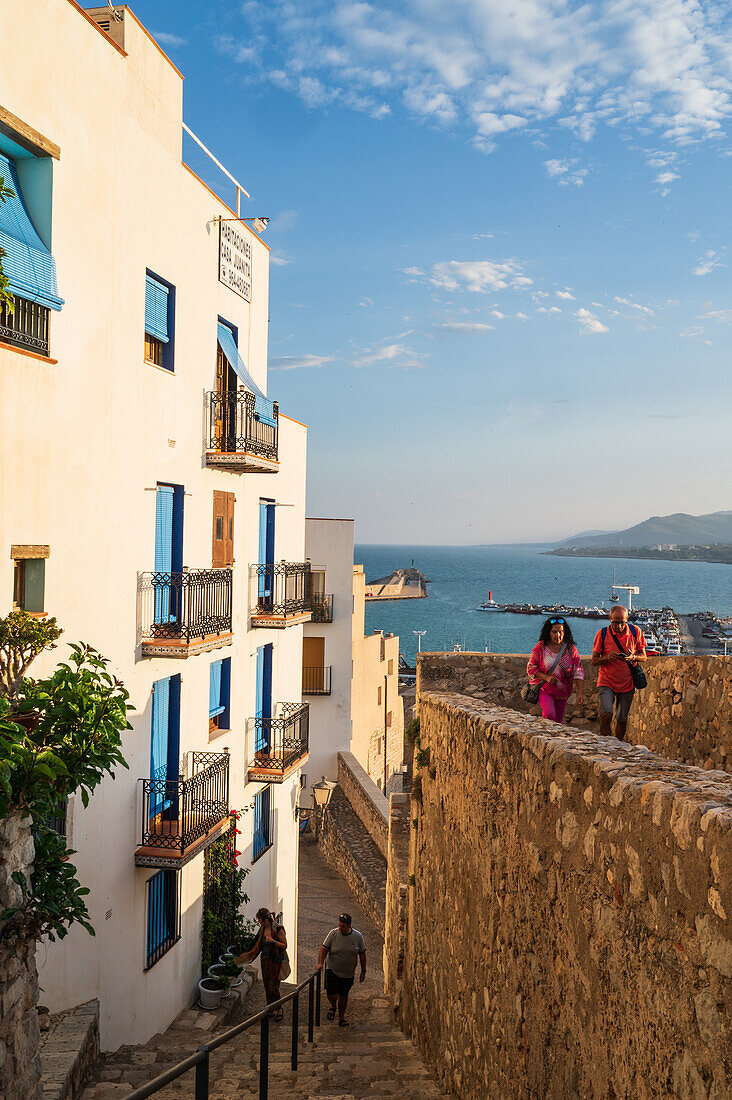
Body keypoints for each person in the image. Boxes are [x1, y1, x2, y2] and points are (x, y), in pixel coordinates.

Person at [592, 605, 647, 741]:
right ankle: (606, 743)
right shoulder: (602, 634)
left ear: (627, 619)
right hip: (607, 680)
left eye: (622, 622)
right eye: (615, 622)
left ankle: (618, 744)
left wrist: (632, 657)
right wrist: (607, 657)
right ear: (610, 619)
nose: (619, 626)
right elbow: (594, 660)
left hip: (627, 682)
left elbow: (644, 657)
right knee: (606, 714)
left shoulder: (635, 632)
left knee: (621, 718)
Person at [527, 617, 585, 724]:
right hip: (545, 689)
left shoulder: (571, 649)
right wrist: (547, 678)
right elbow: (531, 668)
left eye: (560, 632)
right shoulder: (541, 647)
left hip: (563, 691)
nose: (558, 635)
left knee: (558, 721)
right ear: (548, 632)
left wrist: (580, 693)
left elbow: (578, 671)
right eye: (554, 632)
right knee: (549, 715)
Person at [316, 913, 366, 1027]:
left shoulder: (358, 937)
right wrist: (320, 963)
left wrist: (363, 971)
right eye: (339, 925)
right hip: (332, 969)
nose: (340, 928)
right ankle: (333, 1006)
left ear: (349, 926)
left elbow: (362, 954)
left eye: (342, 926)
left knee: (344, 995)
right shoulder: (333, 934)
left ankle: (341, 1017)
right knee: (331, 993)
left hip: (348, 973)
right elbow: (323, 949)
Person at [237, 907, 288, 1020]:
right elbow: (258, 944)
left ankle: (279, 1008)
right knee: (266, 985)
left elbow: (284, 945)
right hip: (264, 961)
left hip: (275, 962)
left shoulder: (278, 929)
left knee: (273, 987)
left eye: (259, 920)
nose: (258, 922)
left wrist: (273, 941)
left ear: (265, 919)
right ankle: (270, 1007)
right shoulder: (263, 929)